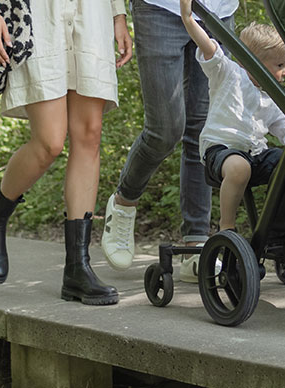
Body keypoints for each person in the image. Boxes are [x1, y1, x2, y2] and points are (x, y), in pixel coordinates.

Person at [0, 0, 132, 305]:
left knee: (89, 135)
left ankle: (77, 269)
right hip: (38, 16)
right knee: (49, 141)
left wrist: (118, 15)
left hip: (92, 15)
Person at [100, 0, 238, 283]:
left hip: (218, 12)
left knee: (206, 130)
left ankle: (196, 244)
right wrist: (118, 15)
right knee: (164, 129)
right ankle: (124, 202)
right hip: (159, 7)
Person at [180, 1, 285, 235]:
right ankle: (227, 227)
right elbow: (209, 48)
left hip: (256, 154)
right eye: (280, 65)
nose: (284, 72)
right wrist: (188, 19)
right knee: (239, 167)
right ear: (251, 61)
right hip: (220, 150)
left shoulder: (273, 97)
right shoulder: (228, 73)